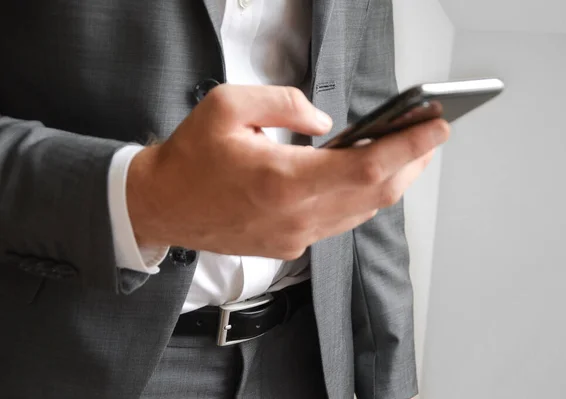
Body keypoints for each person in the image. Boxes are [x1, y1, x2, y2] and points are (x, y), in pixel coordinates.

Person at [0, 0, 449, 398]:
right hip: (74, 354)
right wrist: (146, 199)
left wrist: (388, 381)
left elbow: (365, 132)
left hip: (303, 361)